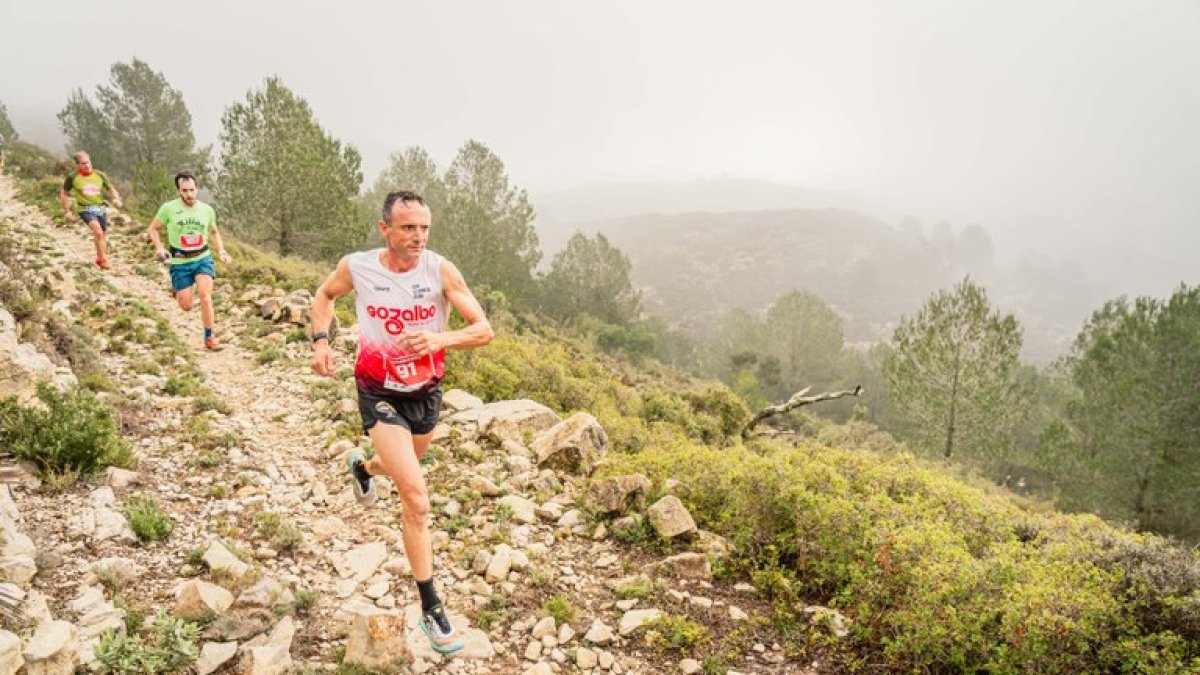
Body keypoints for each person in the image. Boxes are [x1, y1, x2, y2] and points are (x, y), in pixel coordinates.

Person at [310, 190, 494, 654]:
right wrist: (320, 341)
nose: (418, 237)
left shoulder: (440, 269)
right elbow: (325, 295)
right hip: (378, 390)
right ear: (384, 229)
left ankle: (363, 469)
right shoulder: (358, 266)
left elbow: (483, 330)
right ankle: (431, 606)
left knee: (399, 467)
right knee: (416, 497)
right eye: (408, 227)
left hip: (425, 394)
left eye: (424, 228)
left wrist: (439, 339)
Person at [147, 171, 231, 351]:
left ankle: (210, 337)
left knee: (205, 296)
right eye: (185, 191)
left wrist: (222, 251)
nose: (189, 195)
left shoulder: (206, 210)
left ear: (197, 189)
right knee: (186, 306)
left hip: (202, 258)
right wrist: (159, 247)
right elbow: (153, 229)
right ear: (179, 191)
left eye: (192, 190)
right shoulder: (168, 208)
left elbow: (214, 232)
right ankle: (178, 289)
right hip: (180, 261)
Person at [59, 151, 122, 269]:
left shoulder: (100, 175)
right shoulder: (73, 177)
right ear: (78, 165)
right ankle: (104, 259)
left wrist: (116, 198)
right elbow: (64, 193)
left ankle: (99, 256)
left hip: (99, 207)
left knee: (101, 234)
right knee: (98, 232)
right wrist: (67, 210)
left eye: (88, 162)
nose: (87, 165)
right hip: (84, 208)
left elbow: (111, 188)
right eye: (83, 164)